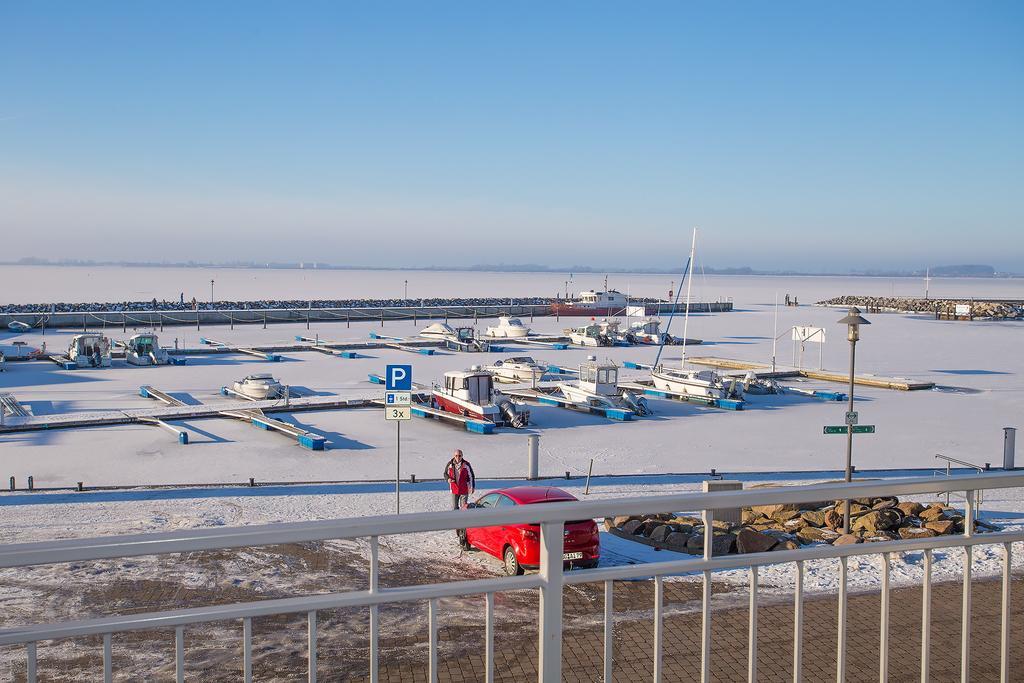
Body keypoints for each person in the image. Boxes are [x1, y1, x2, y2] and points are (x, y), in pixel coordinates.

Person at [443, 449, 475, 549]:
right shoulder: (450, 464)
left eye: (460, 456)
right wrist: (448, 479)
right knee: (454, 508)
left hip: (464, 489)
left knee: (464, 509)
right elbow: (445, 473)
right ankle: (457, 526)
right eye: (456, 456)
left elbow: (471, 476)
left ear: (462, 456)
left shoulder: (466, 464)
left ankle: (463, 530)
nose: (458, 457)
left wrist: (472, 486)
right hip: (454, 489)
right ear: (454, 456)